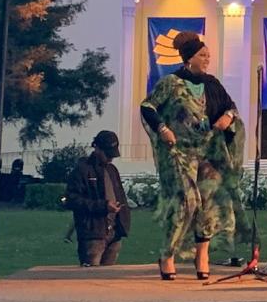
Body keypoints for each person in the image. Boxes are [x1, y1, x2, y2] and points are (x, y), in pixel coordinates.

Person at [141, 31, 243, 280]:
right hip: (180, 152)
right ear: (189, 58)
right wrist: (163, 129)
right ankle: (168, 253)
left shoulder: (212, 83)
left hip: (208, 151)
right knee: (187, 201)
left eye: (208, 55)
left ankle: (202, 255)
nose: (207, 59)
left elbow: (231, 107)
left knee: (208, 203)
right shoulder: (170, 83)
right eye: (202, 55)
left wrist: (227, 117)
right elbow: (148, 107)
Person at [63, 130, 131, 266]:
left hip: (114, 234)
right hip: (93, 235)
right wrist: (103, 206)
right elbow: (71, 199)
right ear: (97, 148)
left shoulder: (112, 170)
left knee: (108, 280)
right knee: (90, 277)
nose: (110, 158)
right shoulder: (82, 170)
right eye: (108, 154)